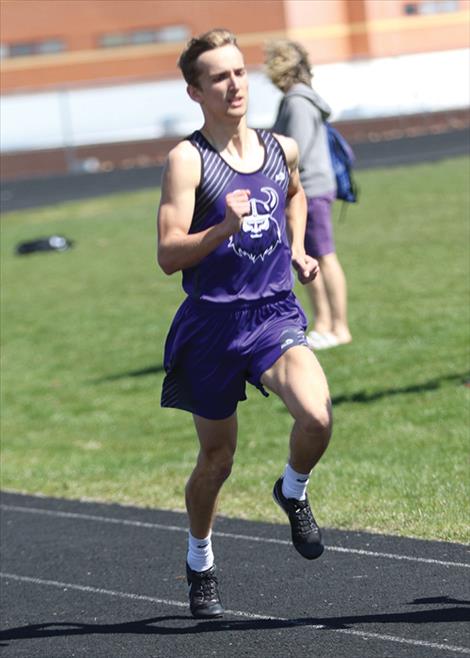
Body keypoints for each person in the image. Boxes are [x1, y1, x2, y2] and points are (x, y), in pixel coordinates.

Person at [157, 28, 332, 620]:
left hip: (272, 314)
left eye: (238, 73)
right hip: (212, 325)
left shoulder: (281, 147)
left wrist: (300, 248)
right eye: (219, 77)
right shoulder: (187, 160)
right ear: (195, 91)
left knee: (316, 415)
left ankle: (292, 489)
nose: (234, 85)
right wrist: (222, 230)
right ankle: (200, 558)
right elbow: (168, 254)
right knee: (218, 461)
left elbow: (295, 195)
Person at [265, 40, 352, 350]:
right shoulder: (304, 99)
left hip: (310, 190)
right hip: (316, 187)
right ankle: (326, 324)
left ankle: (334, 327)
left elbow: (294, 149)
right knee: (314, 257)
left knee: (318, 258)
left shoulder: (296, 102)